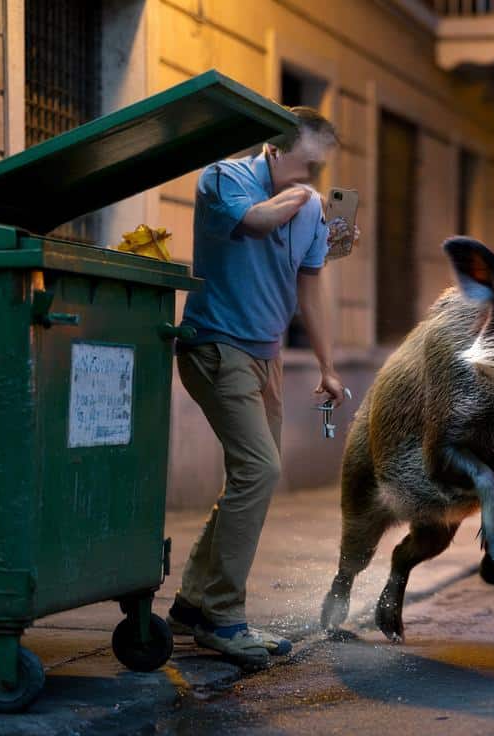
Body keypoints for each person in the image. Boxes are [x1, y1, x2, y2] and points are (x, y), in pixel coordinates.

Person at [167, 106, 356, 668]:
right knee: (261, 469)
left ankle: (191, 607)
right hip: (214, 346)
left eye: (320, 170)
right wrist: (301, 202)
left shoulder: (308, 210)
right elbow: (253, 223)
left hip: (265, 357)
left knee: (250, 477)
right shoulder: (224, 179)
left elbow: (311, 285)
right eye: (307, 165)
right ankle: (224, 620)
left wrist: (327, 365)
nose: (314, 179)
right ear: (274, 150)